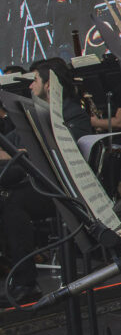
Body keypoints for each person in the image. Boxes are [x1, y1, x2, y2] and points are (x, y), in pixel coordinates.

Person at [1, 58, 91, 303]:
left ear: (50, 84)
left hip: (62, 189)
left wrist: (20, 155)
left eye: (35, 80)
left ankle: (26, 282)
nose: (30, 86)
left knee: (12, 204)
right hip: (36, 182)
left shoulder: (72, 114)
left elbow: (59, 157)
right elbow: (11, 142)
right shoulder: (37, 111)